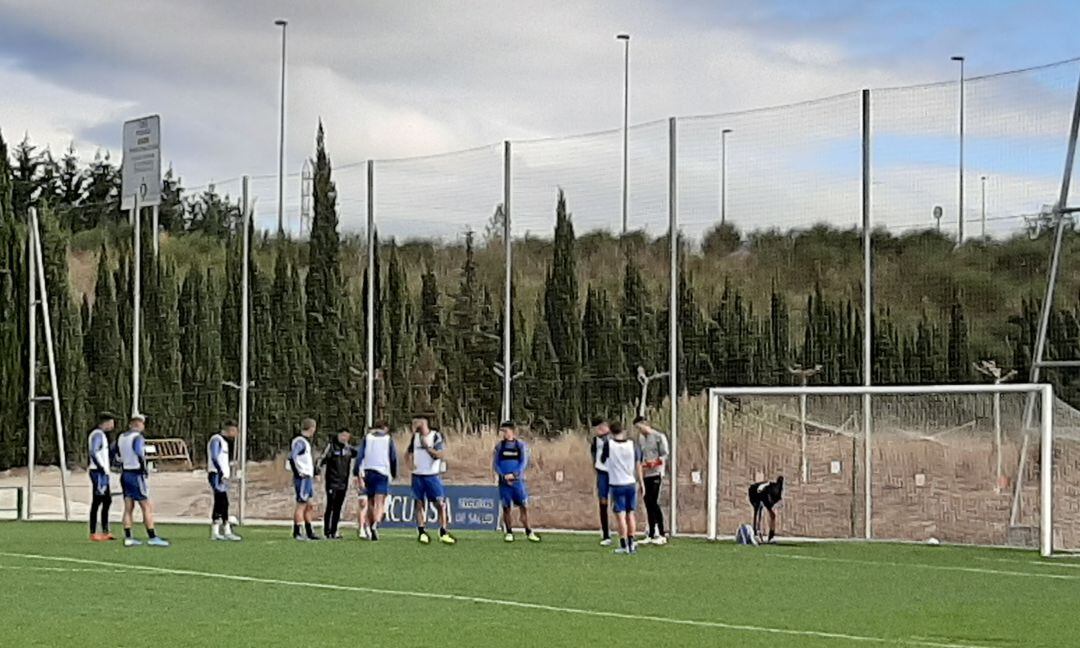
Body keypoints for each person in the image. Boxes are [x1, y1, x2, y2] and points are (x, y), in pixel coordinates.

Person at [117, 414, 169, 547]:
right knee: (146, 506)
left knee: (128, 507)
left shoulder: (122, 437)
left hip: (125, 473)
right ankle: (152, 536)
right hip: (136, 473)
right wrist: (144, 468)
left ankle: (128, 537)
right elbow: (140, 453)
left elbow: (115, 453)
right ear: (139, 424)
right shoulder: (137, 438)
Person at [406, 414, 455, 545]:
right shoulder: (414, 437)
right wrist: (409, 464)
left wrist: (427, 447)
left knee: (440, 503)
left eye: (418, 421)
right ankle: (422, 531)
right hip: (418, 475)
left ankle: (443, 531)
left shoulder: (435, 436)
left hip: (432, 475)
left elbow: (439, 454)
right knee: (419, 503)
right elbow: (408, 453)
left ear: (425, 422)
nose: (415, 424)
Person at [492, 421, 539, 543]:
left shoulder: (520, 446)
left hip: (518, 482)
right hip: (504, 483)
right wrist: (503, 475)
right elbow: (495, 464)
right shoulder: (499, 447)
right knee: (506, 507)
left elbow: (523, 462)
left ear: (512, 432)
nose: (504, 434)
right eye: (502, 432)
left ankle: (528, 531)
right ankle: (508, 532)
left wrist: (515, 474)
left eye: (506, 431)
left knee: (523, 506)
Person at [599, 422, 642, 555]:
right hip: (630, 482)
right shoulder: (632, 444)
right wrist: (641, 482)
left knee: (621, 515)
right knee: (631, 514)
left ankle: (624, 544)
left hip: (617, 483)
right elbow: (638, 462)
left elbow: (602, 459)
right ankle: (632, 543)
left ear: (611, 432)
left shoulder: (609, 445)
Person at [354, 420, 397, 542]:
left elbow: (359, 456)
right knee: (379, 502)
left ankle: (369, 524)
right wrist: (393, 473)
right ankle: (375, 524)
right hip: (382, 471)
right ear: (385, 428)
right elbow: (392, 457)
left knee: (370, 501)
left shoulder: (367, 438)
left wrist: (357, 471)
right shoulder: (387, 439)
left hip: (368, 471)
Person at [634, 416, 669, 545]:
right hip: (646, 474)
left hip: (656, 473)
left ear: (645, 424)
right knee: (647, 502)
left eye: (640, 427)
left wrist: (655, 463)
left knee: (654, 502)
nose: (640, 431)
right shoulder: (642, 439)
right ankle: (651, 532)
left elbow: (665, 455)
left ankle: (662, 533)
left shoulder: (659, 436)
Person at [207, 420, 241, 541]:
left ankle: (224, 529)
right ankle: (217, 530)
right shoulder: (216, 439)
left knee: (223, 503)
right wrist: (220, 471)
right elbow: (215, 457)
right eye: (235, 431)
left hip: (222, 475)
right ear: (230, 430)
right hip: (216, 475)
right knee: (221, 501)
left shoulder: (225, 442)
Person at [319, 429, 355, 540]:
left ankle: (334, 531)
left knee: (338, 507)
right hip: (331, 482)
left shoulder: (348, 449)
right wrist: (317, 471)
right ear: (338, 435)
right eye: (342, 435)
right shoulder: (331, 447)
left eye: (347, 436)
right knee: (330, 506)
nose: (344, 438)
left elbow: (361, 455)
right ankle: (327, 531)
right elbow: (321, 459)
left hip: (343, 483)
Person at [87, 411, 116, 542]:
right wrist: (101, 467)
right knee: (97, 500)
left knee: (107, 500)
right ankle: (93, 532)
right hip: (98, 472)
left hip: (103, 472)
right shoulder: (97, 435)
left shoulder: (102, 435)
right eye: (111, 422)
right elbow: (93, 451)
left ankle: (105, 530)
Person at [289, 418, 320, 541]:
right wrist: (298, 472)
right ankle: (298, 531)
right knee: (301, 504)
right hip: (303, 477)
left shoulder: (305, 442)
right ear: (312, 428)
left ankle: (309, 530)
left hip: (308, 477)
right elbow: (292, 457)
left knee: (309, 504)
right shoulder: (300, 442)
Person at [588, 417, 612, 546]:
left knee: (619, 504)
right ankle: (606, 533)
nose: (598, 430)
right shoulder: (595, 441)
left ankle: (625, 534)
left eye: (601, 427)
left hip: (614, 473)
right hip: (602, 473)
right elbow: (593, 454)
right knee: (603, 502)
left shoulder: (613, 438)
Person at [748, 476, 784, 543]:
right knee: (758, 511)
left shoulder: (777, 490)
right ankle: (756, 533)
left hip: (763, 495)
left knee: (773, 515)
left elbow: (776, 501)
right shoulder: (769, 491)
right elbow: (764, 497)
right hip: (754, 493)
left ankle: (771, 536)